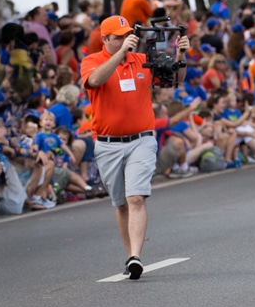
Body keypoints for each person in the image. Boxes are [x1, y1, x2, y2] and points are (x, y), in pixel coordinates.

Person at [80, 15, 191, 280]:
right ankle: (131, 255)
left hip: (142, 139)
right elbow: (95, 81)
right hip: (108, 144)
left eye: (126, 35)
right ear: (105, 39)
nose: (123, 39)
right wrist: (120, 54)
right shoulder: (92, 61)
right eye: (117, 36)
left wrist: (181, 51)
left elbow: (176, 77)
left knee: (136, 198)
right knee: (120, 204)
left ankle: (135, 256)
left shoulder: (142, 60)